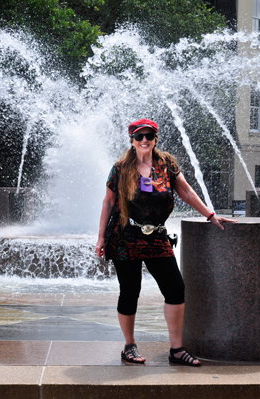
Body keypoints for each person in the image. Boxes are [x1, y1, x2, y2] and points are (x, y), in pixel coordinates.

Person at [95, 118, 236, 366]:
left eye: (149, 136)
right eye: (139, 137)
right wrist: (100, 238)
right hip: (125, 238)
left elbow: (185, 191)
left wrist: (210, 215)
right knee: (130, 291)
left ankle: (177, 349)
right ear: (132, 140)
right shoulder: (120, 168)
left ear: (155, 138)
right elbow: (108, 202)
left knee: (175, 289)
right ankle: (129, 346)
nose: (144, 140)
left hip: (157, 236)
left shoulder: (165, 163)